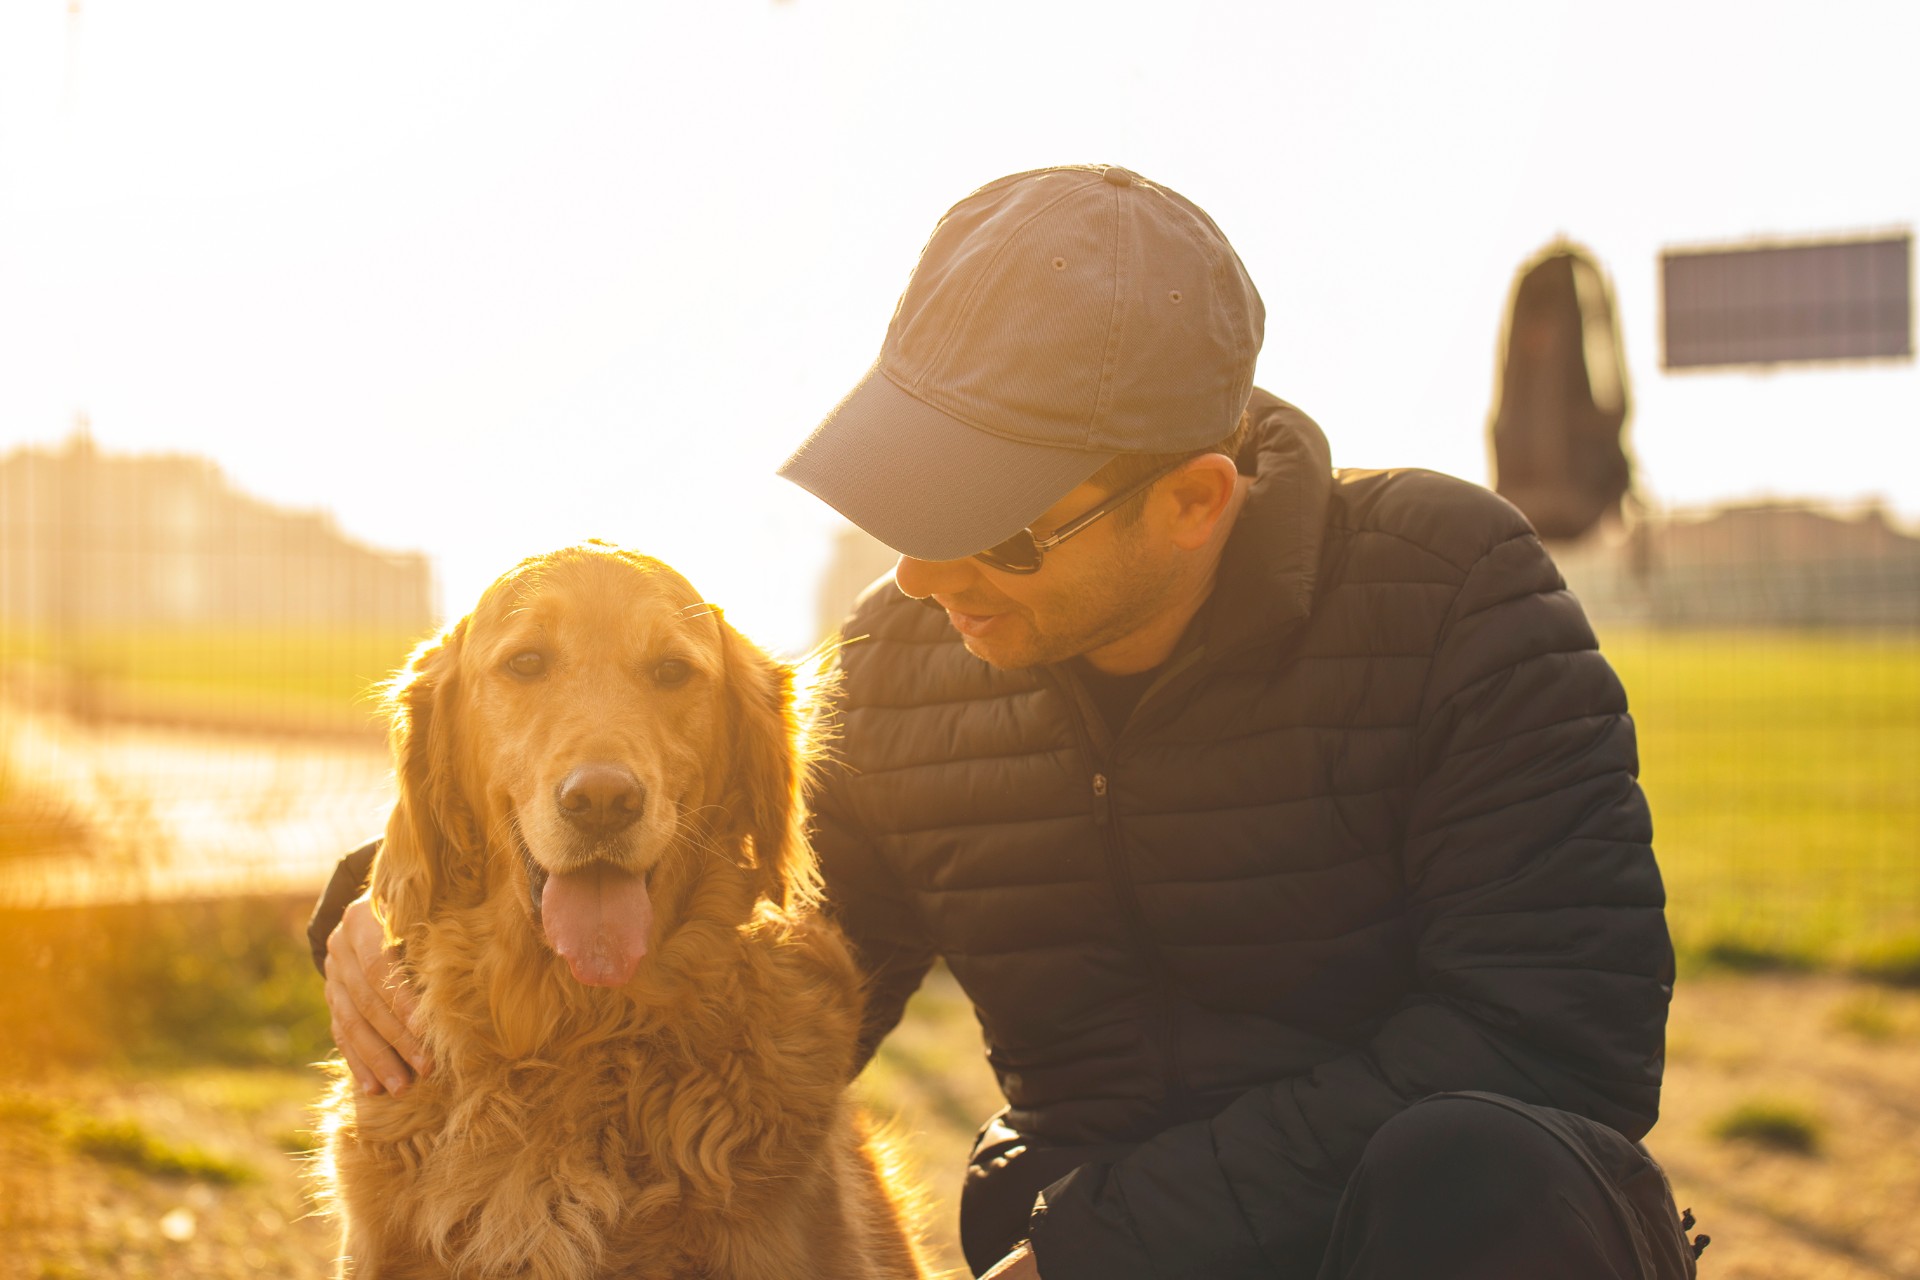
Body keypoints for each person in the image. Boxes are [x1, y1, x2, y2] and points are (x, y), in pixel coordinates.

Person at [311, 164, 1705, 1278]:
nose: (922, 574)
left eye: (998, 528)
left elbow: (1549, 1039)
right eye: (909, 502)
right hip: (1068, 1231)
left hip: (1397, 1235)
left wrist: (1103, 1246)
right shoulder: (908, 670)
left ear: (1195, 503)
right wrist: (373, 905)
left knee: (1480, 1171)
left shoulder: (1453, 589)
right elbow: (733, 926)